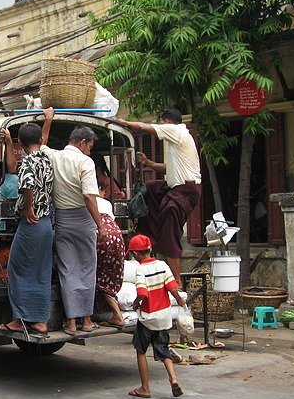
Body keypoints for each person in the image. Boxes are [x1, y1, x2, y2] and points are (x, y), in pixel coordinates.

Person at [116, 108, 202, 287]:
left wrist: (122, 123)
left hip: (184, 191)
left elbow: (144, 127)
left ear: (167, 121)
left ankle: (176, 280)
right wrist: (148, 163)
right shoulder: (177, 143)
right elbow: (169, 169)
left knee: (170, 221)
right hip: (175, 187)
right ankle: (149, 234)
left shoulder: (177, 130)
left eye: (163, 123)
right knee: (150, 188)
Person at [40, 107, 107, 335]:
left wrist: (48, 120)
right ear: (83, 142)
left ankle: (70, 322)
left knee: (68, 270)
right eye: (90, 146)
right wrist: (100, 225)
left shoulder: (55, 156)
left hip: (62, 220)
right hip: (82, 219)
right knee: (86, 268)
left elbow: (41, 145)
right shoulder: (85, 163)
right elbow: (89, 196)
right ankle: (86, 320)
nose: (90, 151)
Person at [0, 125, 54, 337]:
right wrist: (9, 142)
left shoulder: (29, 161)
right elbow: (14, 168)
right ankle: (39, 321)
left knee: (17, 268)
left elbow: (28, 183)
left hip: (31, 223)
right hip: (46, 223)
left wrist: (28, 207)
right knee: (40, 272)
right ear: (40, 139)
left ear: (21, 143)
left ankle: (19, 319)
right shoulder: (47, 158)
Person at [127, 234, 186, 399]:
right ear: (150, 249)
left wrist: (136, 303)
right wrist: (180, 300)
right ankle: (173, 379)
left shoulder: (140, 269)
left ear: (137, 254)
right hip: (164, 316)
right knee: (163, 350)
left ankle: (145, 388)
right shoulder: (162, 265)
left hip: (148, 317)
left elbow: (142, 293)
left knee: (141, 351)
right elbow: (172, 287)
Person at [94, 186, 127, 329]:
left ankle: (117, 315)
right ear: (100, 190)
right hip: (116, 237)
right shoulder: (106, 203)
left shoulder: (87, 200)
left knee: (97, 276)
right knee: (111, 276)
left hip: (100, 235)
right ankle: (115, 313)